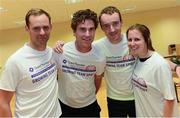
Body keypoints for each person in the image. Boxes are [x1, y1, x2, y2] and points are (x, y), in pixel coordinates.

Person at [0, 8, 61, 117]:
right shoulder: (15, 61)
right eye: (36, 28)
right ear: (27, 28)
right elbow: (3, 102)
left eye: (45, 27)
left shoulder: (52, 52)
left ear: (51, 27)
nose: (42, 32)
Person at [53, 9, 106, 117]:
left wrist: (87, 97)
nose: (88, 34)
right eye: (82, 29)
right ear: (74, 32)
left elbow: (98, 78)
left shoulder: (100, 57)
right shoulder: (61, 51)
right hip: (64, 107)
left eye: (91, 29)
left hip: (90, 107)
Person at [126, 23, 179, 117]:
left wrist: (176, 67)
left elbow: (169, 100)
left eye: (137, 39)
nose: (132, 43)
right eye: (130, 39)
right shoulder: (137, 59)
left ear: (147, 40)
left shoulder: (160, 65)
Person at [93, 6, 136, 117]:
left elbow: (153, 58)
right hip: (114, 100)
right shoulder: (97, 46)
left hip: (138, 96)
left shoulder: (133, 41)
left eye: (115, 23)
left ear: (121, 23)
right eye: (106, 26)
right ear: (101, 28)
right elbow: (77, 50)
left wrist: (176, 67)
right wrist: (60, 46)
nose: (112, 29)